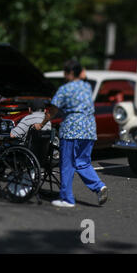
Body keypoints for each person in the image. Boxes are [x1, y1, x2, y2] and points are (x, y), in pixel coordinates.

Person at [33, 59, 108, 207]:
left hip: (72, 130)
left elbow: (53, 111)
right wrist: (81, 71)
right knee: (83, 162)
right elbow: (84, 75)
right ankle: (99, 187)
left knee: (67, 164)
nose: (64, 75)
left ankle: (67, 198)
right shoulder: (86, 87)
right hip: (90, 129)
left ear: (70, 73)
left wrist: (41, 124)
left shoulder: (65, 89)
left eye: (65, 72)